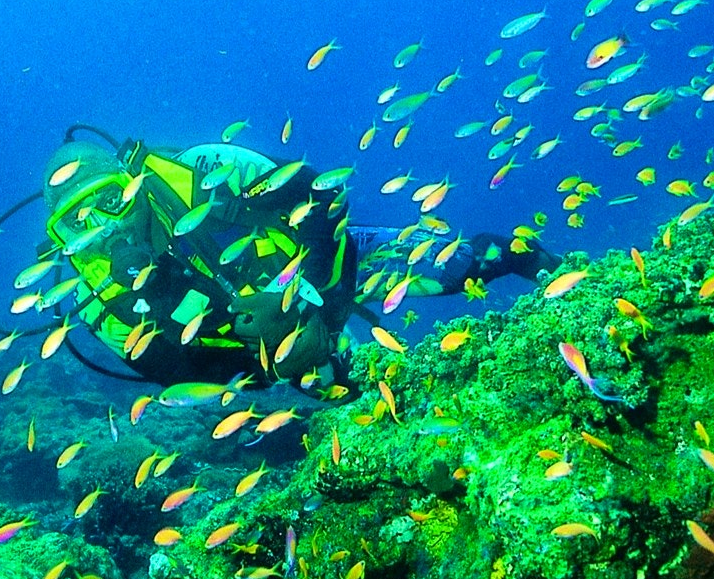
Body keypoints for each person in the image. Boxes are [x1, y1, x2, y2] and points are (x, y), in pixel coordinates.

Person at [32, 127, 559, 401]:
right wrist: (272, 363)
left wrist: (320, 301)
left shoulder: (200, 174)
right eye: (77, 223)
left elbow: (319, 196)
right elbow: (174, 374)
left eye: (108, 200)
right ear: (62, 240)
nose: (106, 229)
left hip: (332, 264)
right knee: (373, 401)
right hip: (277, 351)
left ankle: (544, 268)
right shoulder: (94, 300)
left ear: (132, 182)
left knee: (453, 270)